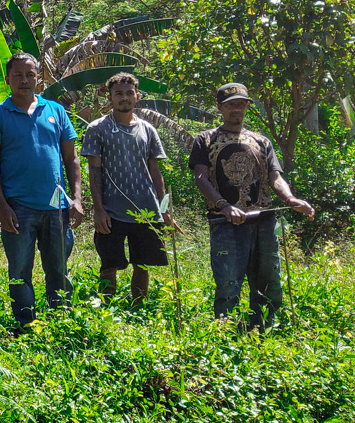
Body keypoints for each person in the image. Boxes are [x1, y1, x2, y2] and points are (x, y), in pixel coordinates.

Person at [189, 82, 314, 329]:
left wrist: (290, 199)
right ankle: (226, 335)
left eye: (240, 104)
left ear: (247, 106)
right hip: (225, 222)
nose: (236, 109)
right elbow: (200, 178)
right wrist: (223, 205)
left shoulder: (261, 141)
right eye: (230, 105)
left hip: (264, 221)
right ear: (220, 108)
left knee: (269, 281)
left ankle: (264, 330)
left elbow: (275, 177)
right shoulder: (206, 140)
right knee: (227, 283)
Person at [0, 53, 83, 328]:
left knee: (59, 270)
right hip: (18, 208)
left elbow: (71, 158)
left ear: (39, 77)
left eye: (30, 74)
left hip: (57, 207)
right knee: (20, 272)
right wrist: (3, 208)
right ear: (8, 79)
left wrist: (77, 199)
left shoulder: (55, 111)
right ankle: (25, 326)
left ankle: (61, 323)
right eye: (18, 75)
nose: (24, 80)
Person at [80, 72, 174, 304]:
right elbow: (94, 171)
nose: (124, 98)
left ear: (137, 96)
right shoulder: (97, 129)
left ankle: (138, 309)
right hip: (111, 210)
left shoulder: (148, 129)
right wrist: (98, 209)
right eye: (118, 93)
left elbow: (155, 171)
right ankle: (106, 310)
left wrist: (164, 210)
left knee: (142, 264)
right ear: (109, 97)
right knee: (109, 264)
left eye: (129, 93)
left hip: (146, 210)